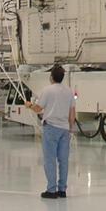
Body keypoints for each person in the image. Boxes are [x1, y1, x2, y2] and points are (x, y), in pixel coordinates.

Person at [26, 64, 74, 199]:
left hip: (51, 128)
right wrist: (71, 129)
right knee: (63, 160)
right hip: (65, 129)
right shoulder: (69, 91)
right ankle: (62, 189)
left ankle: (51, 190)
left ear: (51, 77)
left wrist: (29, 105)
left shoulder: (47, 90)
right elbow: (72, 113)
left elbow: (38, 109)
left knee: (50, 159)